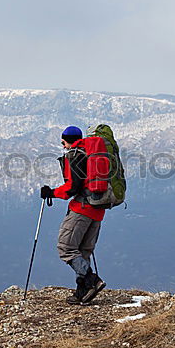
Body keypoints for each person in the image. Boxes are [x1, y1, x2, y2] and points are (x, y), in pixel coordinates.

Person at [40, 125, 108, 305]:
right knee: (83, 251)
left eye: (63, 142)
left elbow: (72, 187)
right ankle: (82, 293)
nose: (63, 146)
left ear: (66, 140)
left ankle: (91, 280)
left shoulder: (76, 155)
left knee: (66, 248)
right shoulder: (94, 154)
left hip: (81, 209)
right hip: (98, 210)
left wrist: (51, 192)